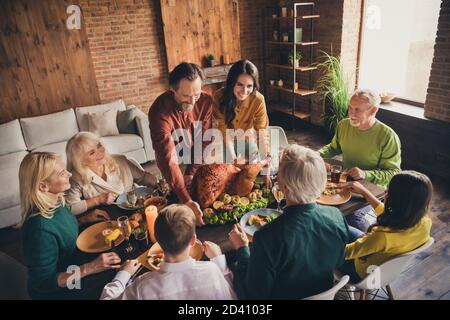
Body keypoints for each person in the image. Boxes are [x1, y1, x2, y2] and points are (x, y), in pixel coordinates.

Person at [228, 145, 351, 299]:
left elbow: (253, 295)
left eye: (278, 174)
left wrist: (242, 249)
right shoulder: (337, 216)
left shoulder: (266, 237)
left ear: (285, 188)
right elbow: (339, 261)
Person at [19, 152, 122, 299]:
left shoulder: (56, 201)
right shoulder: (38, 229)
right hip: (62, 291)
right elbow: (44, 283)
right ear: (43, 186)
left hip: (74, 264)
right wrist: (91, 267)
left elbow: (59, 232)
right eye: (62, 173)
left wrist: (83, 220)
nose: (69, 174)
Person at [100, 204, 236, 300]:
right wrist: (219, 261)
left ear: (157, 239)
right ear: (193, 240)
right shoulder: (212, 271)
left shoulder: (141, 287)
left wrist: (123, 275)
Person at [319, 88, 402, 231]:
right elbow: (333, 148)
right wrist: (317, 154)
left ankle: (369, 245)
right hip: (347, 182)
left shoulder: (388, 136)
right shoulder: (344, 125)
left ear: (373, 111)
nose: (351, 113)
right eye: (350, 108)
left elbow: (393, 173)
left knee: (351, 218)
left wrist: (365, 174)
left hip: (372, 190)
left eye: (357, 109)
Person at [148, 62, 213, 226]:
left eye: (196, 95)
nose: (192, 102)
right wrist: (185, 198)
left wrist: (192, 171)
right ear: (173, 90)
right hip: (174, 159)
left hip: (198, 154)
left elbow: (203, 140)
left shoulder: (205, 101)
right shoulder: (159, 111)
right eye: (186, 96)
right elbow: (167, 158)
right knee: (178, 204)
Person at [339, 171, 433, 283]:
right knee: (339, 226)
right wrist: (364, 192)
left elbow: (344, 253)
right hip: (387, 271)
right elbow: (394, 214)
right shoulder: (425, 221)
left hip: (359, 274)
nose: (385, 192)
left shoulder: (381, 238)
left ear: (393, 200)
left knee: (329, 231)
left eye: (388, 190)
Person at [65, 132, 157, 219]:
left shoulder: (120, 160)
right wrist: (97, 200)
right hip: (109, 219)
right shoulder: (75, 178)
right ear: (79, 160)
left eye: (99, 146)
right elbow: (70, 209)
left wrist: (160, 185)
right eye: (92, 153)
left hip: (137, 209)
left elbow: (143, 177)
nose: (100, 152)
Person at [213, 59, 271, 187]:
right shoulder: (218, 96)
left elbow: (262, 133)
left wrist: (266, 171)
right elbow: (223, 131)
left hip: (247, 138)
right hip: (225, 141)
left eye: (249, 86)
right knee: (229, 179)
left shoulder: (258, 100)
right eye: (240, 84)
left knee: (254, 172)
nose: (244, 91)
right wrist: (233, 158)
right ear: (232, 82)